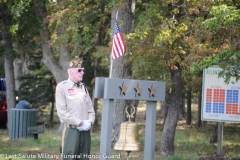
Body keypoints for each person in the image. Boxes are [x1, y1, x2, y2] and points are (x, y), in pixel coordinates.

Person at [55, 58, 95, 160]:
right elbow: (62, 113)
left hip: (85, 132)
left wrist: (90, 122)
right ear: (70, 72)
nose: (82, 73)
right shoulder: (62, 87)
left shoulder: (83, 87)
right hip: (72, 131)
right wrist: (80, 123)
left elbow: (90, 109)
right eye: (79, 70)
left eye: (83, 70)